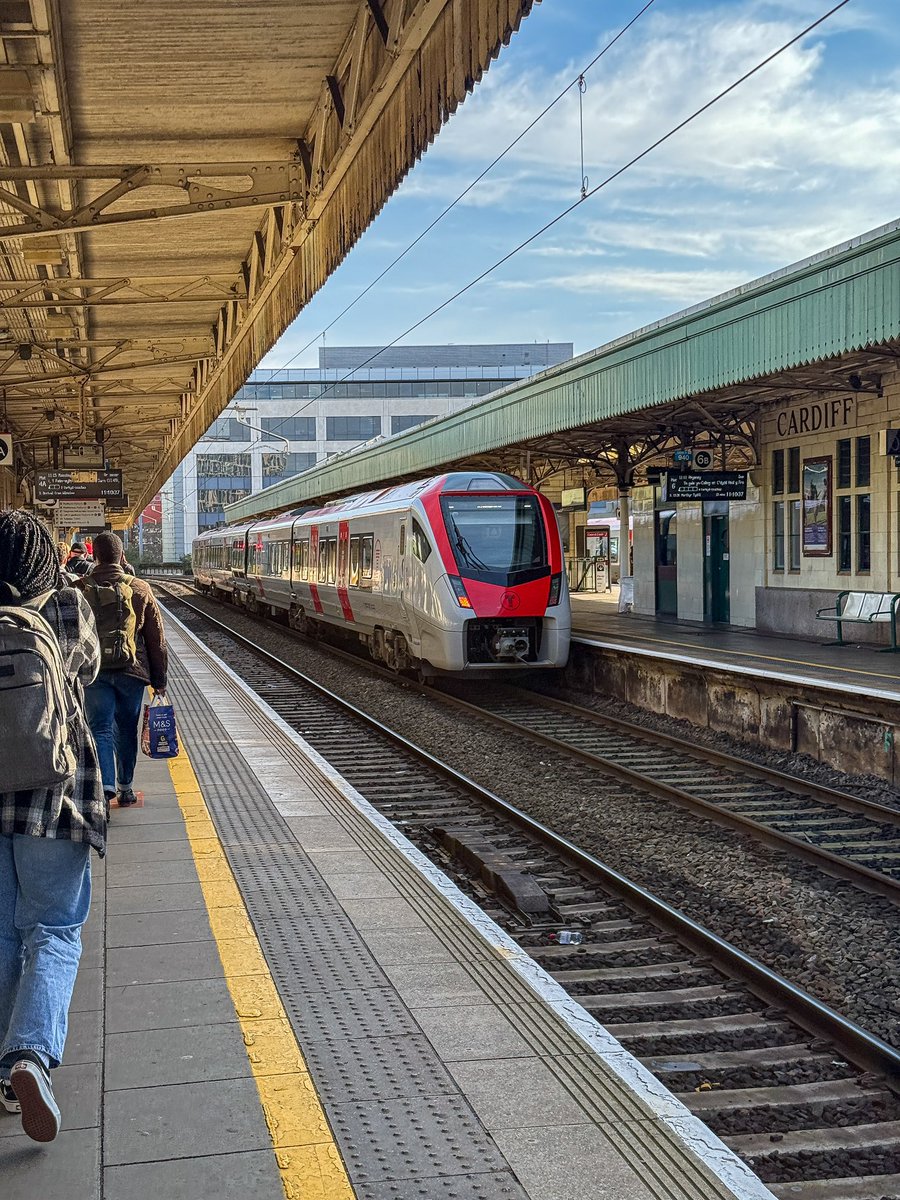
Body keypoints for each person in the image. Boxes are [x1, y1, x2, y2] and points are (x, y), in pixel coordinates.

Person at [0, 510, 106, 1143]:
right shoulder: (66, 605)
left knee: (3, 933)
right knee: (54, 930)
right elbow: (88, 671)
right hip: (52, 797)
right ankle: (30, 1056)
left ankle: (2, 1068)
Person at [77, 531, 167, 807]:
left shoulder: (80, 588)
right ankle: (126, 788)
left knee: (100, 728)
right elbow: (156, 639)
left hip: (95, 673)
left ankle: (105, 787)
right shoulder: (140, 588)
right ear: (122, 556)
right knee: (127, 729)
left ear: (95, 556)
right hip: (132, 672)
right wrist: (159, 680)